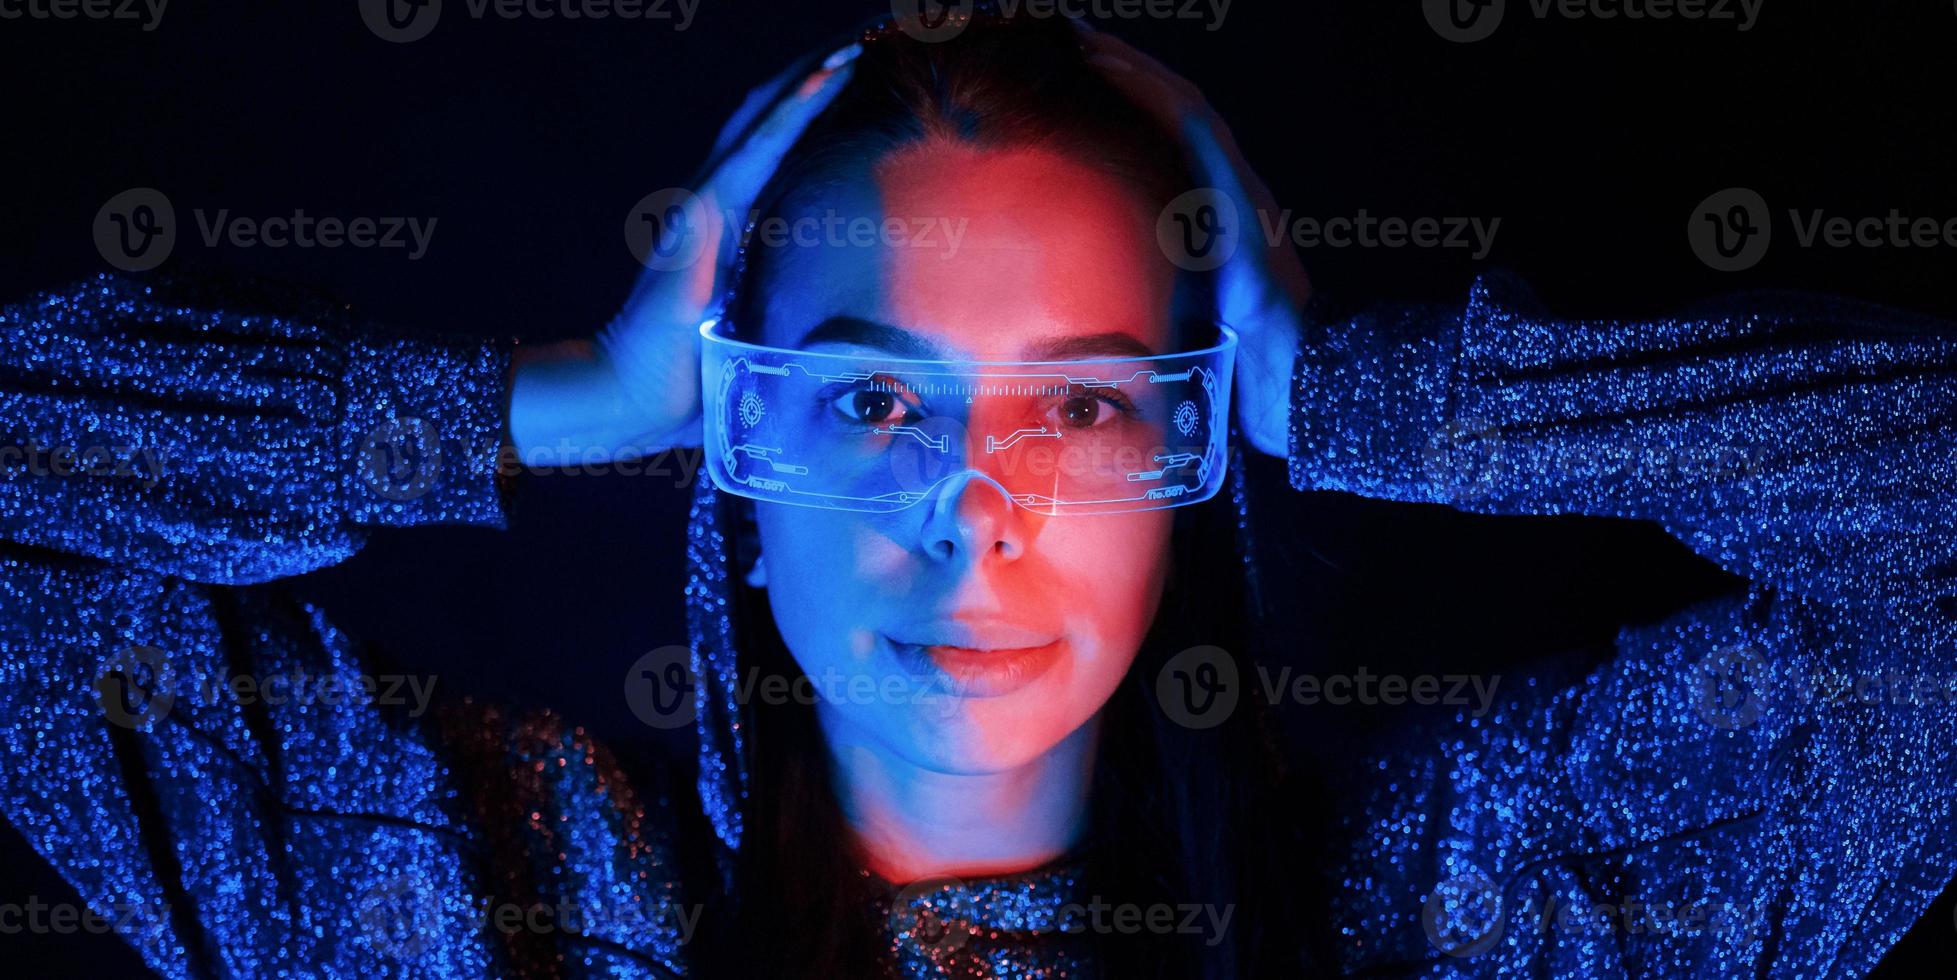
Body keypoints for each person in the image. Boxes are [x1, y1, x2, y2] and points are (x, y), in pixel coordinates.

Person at [2, 8, 1953, 978]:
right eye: (867, 404)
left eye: (1089, 410)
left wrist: (1372, 394)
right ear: (730, 459)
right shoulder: (455, 883)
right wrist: (555, 400)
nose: (972, 509)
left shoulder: (1497, 894)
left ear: (1198, 460)